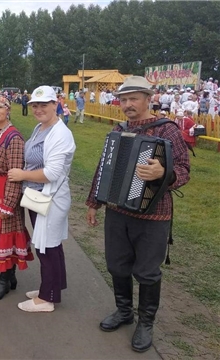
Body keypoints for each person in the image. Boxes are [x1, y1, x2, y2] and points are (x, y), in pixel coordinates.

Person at [86, 76, 190, 353]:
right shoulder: (120, 129)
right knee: (117, 265)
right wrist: (93, 202)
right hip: (118, 210)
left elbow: (184, 169)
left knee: (146, 271)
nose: (128, 104)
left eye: (134, 99)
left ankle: (145, 322)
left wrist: (164, 174)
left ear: (148, 98)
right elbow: (104, 167)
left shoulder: (167, 130)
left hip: (154, 214)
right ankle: (124, 311)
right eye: (123, 99)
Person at [7, 85, 76, 313]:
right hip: (37, 195)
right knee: (47, 244)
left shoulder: (60, 134)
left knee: (48, 245)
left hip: (50, 196)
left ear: (55, 103)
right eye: (35, 105)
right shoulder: (41, 127)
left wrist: (22, 175)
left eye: (43, 105)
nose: (38, 109)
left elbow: (52, 173)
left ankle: (47, 298)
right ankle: (52, 287)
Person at [0, 94, 33, 302]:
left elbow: (15, 173)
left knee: (6, 237)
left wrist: (9, 204)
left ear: (8, 110)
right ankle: (9, 277)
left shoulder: (13, 137)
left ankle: (4, 279)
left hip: (4, 195)